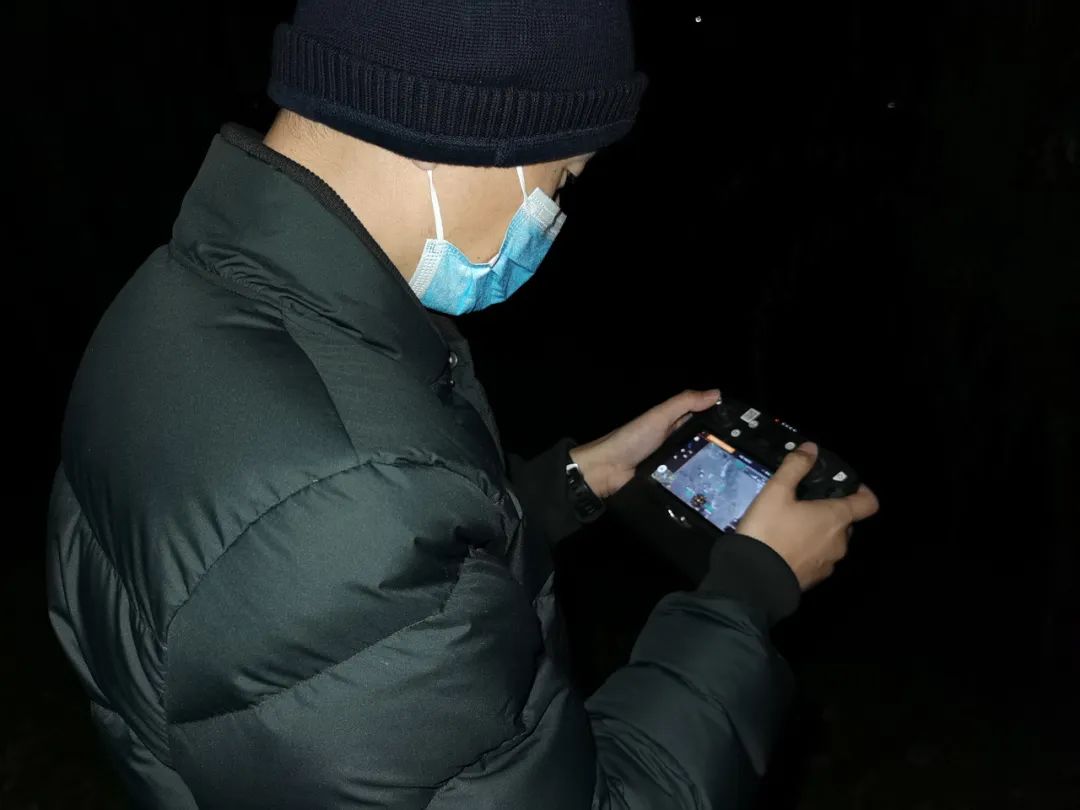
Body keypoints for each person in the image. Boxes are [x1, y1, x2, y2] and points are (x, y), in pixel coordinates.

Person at [46, 1, 879, 807]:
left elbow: (333, 581)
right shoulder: (349, 493)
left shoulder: (181, 298)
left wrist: (571, 483)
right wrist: (744, 595)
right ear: (467, 137)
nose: (553, 216)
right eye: (562, 178)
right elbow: (343, 543)